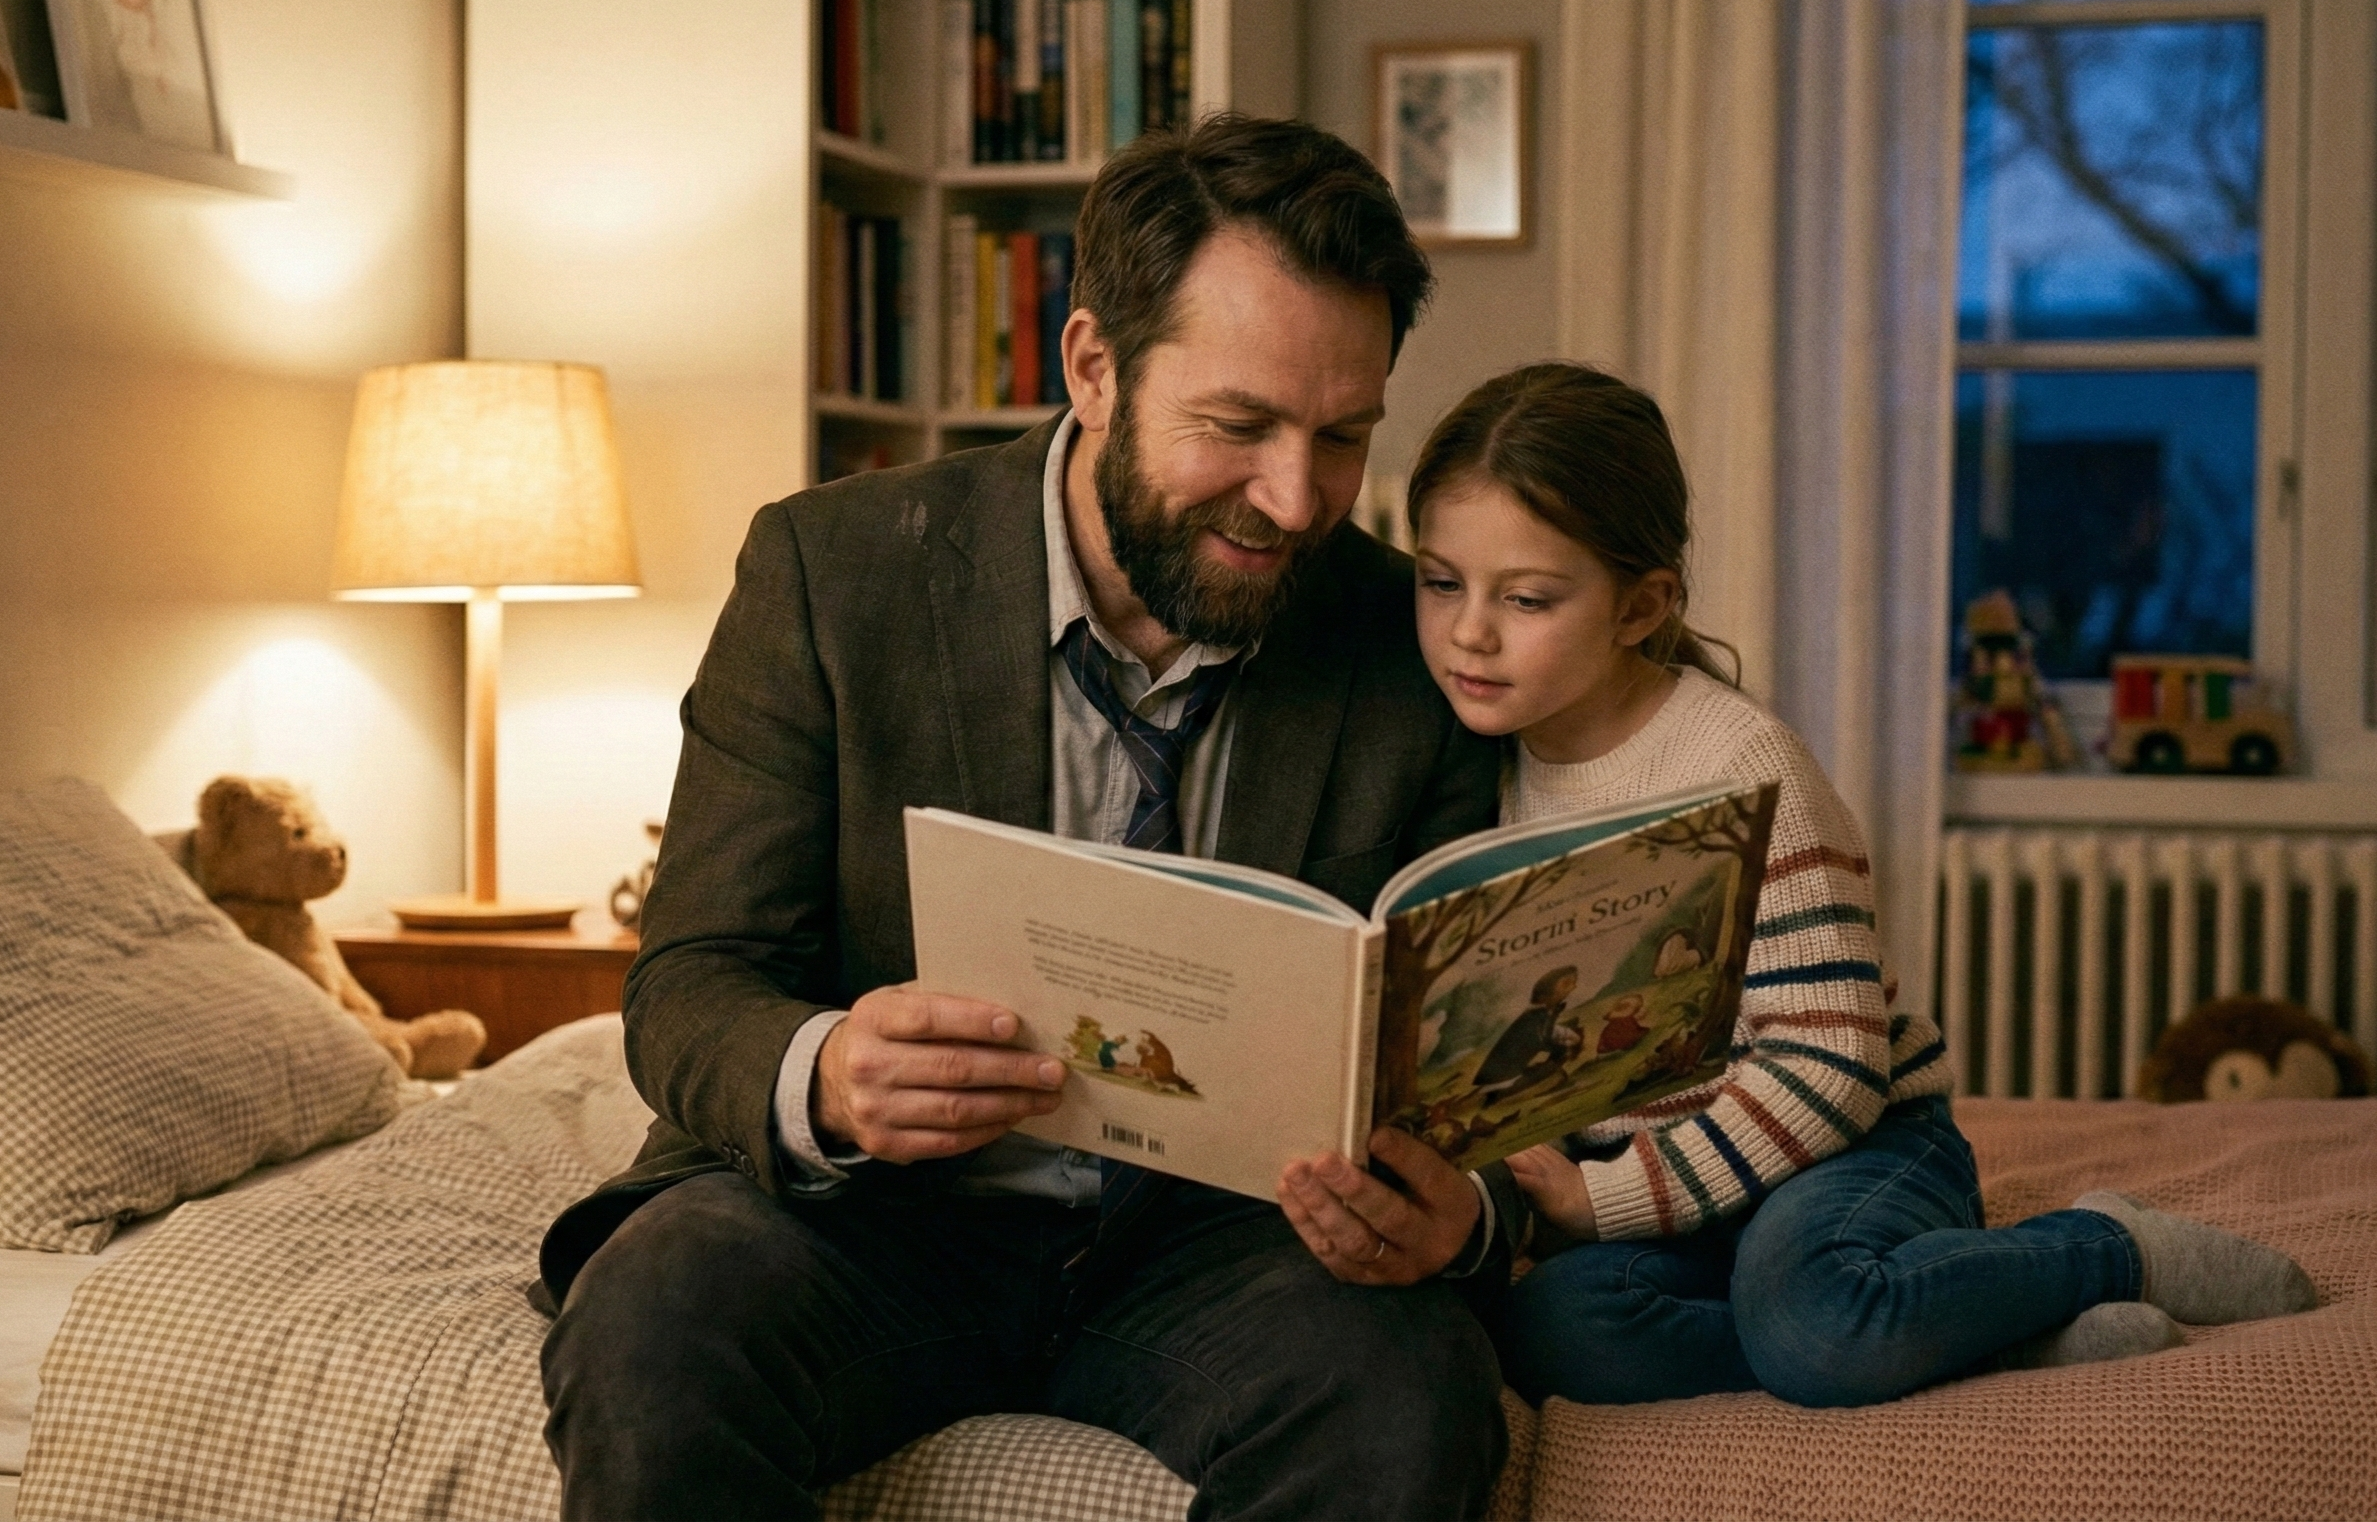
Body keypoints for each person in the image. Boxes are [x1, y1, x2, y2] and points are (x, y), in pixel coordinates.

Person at [533, 114, 1525, 1521]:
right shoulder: (832, 571)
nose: (1295, 499)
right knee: (652, 1326)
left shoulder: (1403, 635)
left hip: (1225, 1249)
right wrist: (829, 1073)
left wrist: (1454, 1206)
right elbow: (690, 981)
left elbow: (1454, 1053)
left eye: (1343, 436)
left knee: (1412, 1396)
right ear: (1093, 367)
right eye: (1237, 426)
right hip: (875, 1221)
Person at [1405, 360, 2320, 1409]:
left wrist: (1609, 1202)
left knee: (1809, 1316)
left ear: (1640, 606)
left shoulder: (1739, 768)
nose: (1468, 631)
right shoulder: (1474, 772)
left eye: (1525, 598)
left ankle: (2104, 1248)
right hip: (1685, 1196)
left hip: (1853, 1144)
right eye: (1440, 582)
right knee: (1553, 1333)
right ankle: (1968, 1329)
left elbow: (1834, 1064)